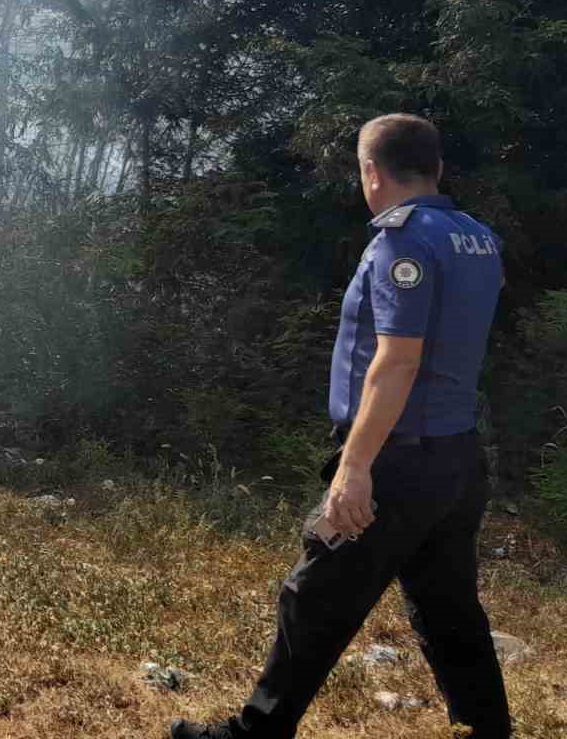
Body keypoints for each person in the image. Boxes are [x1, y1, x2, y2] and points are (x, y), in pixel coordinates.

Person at [169, 113, 511, 739]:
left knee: (315, 595)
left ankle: (256, 734)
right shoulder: (476, 237)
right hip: (458, 457)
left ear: (372, 173)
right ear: (436, 168)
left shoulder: (401, 241)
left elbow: (397, 360)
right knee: (447, 606)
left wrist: (355, 469)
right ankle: (490, 731)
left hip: (398, 461)